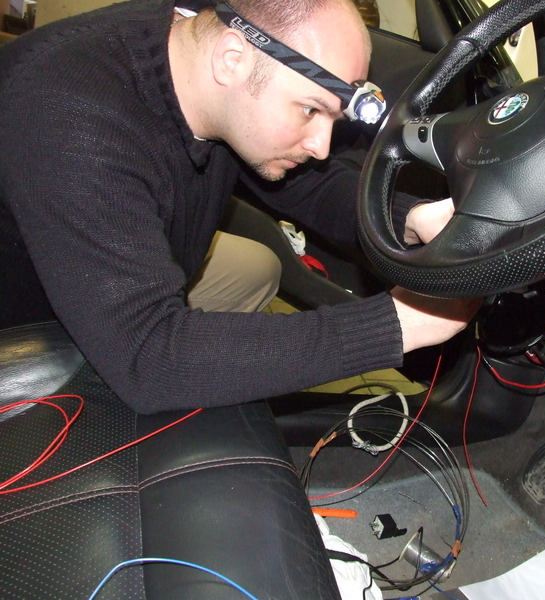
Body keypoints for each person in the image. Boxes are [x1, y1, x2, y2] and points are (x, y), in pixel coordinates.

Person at [0, 0, 477, 414]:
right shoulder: (71, 116)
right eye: (310, 110)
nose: (321, 145)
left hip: (124, 255)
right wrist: (397, 325)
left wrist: (410, 219)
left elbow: (309, 186)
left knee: (258, 270)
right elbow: (148, 358)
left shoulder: (201, 56)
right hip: (27, 324)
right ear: (232, 59)